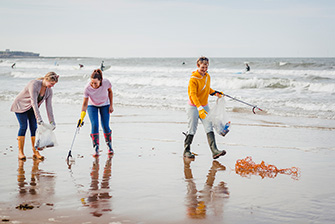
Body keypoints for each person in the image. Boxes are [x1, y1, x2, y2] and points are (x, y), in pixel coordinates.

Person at [184, 56, 226, 159]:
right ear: (198, 66)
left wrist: (215, 92)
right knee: (192, 129)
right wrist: (199, 108)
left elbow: (206, 88)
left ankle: (215, 151)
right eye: (202, 67)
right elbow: (192, 94)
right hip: (193, 107)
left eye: (206, 67)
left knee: (208, 126)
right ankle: (187, 150)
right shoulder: (193, 79)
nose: (204, 69)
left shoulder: (207, 76)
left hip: (204, 106)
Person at [11, 72, 59, 160]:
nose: (52, 86)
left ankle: (35, 151)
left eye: (54, 84)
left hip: (32, 109)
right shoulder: (34, 84)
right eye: (51, 84)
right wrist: (39, 118)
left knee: (34, 128)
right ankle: (21, 152)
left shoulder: (49, 91)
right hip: (21, 106)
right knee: (23, 127)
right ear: (46, 79)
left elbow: (49, 107)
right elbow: (34, 102)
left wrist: (52, 121)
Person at [78, 69, 114, 157]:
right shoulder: (87, 88)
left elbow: (110, 92)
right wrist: (81, 118)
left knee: (105, 126)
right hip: (92, 105)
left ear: (100, 81)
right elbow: (85, 103)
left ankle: (109, 146)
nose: (93, 85)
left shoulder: (106, 82)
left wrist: (111, 105)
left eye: (96, 83)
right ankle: (96, 148)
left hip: (105, 104)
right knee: (94, 125)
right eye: (92, 83)